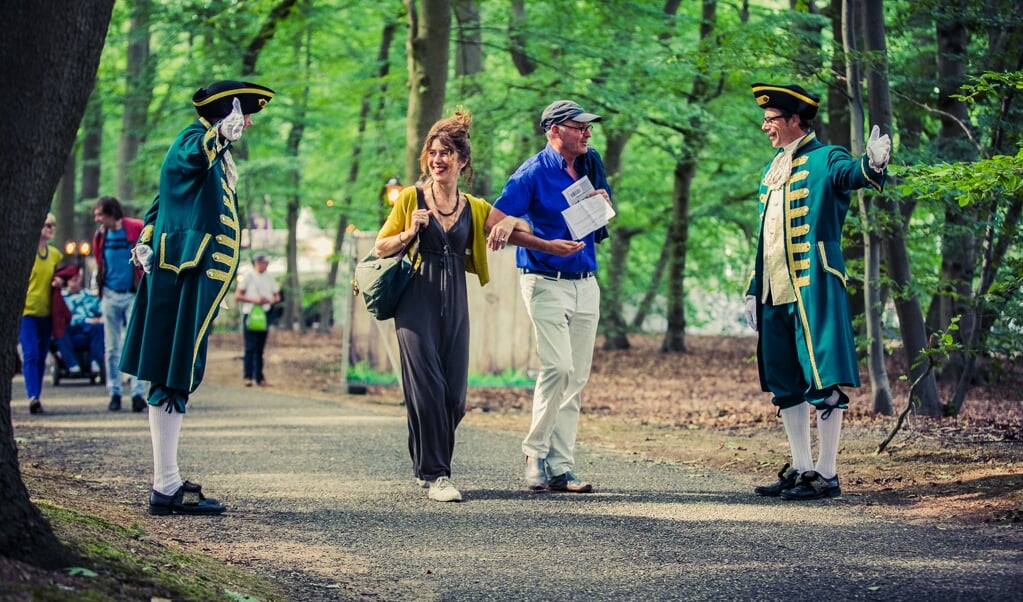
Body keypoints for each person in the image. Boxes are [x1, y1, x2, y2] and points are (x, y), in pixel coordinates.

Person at [374, 109, 567, 503]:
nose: (437, 159)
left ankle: (422, 463)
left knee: (453, 398)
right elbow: (381, 246)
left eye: (446, 153)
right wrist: (410, 231)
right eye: (432, 152)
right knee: (427, 389)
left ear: (462, 162)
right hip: (415, 301)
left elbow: (523, 229)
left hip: (456, 303)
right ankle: (437, 475)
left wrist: (509, 223)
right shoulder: (411, 198)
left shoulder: (474, 206)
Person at [120, 79, 274, 515]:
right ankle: (164, 485)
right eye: (242, 115)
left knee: (176, 371)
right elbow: (182, 162)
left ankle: (165, 480)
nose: (246, 123)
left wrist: (148, 233)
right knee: (174, 371)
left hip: (188, 273)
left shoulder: (216, 158)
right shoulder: (195, 141)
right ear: (224, 114)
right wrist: (218, 135)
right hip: (185, 272)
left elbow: (165, 199)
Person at [744, 82, 890, 500]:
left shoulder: (827, 159)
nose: (765, 127)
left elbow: (851, 175)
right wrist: (755, 289)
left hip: (814, 287)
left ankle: (827, 473)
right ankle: (802, 468)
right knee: (784, 382)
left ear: (794, 120)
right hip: (774, 292)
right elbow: (766, 237)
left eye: (771, 120)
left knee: (821, 377)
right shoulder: (771, 170)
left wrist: (872, 165)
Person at [486, 100, 612, 493]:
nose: (588, 133)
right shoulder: (532, 172)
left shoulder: (591, 163)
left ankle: (561, 466)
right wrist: (545, 244)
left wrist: (604, 204)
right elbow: (495, 220)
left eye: (589, 127)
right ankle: (533, 452)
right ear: (555, 131)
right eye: (580, 127)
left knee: (576, 376)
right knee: (557, 368)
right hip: (543, 280)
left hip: (586, 281)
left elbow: (603, 208)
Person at [92, 195, 147, 412]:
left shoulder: (134, 228)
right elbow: (100, 263)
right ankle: (114, 392)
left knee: (134, 342)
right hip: (109, 294)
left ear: (111, 213)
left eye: (100, 214)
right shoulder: (100, 236)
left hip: (132, 294)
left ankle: (137, 393)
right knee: (111, 346)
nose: (97, 219)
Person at [19, 213, 65, 414]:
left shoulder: (54, 254)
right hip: (27, 311)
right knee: (30, 354)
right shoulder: (25, 253)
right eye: (47, 225)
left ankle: (36, 395)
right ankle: (32, 396)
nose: (51, 229)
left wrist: (59, 282)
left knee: (41, 355)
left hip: (47, 313)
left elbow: (58, 277)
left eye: (53, 226)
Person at [234, 252, 280, 387]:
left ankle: (259, 376)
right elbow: (238, 296)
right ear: (257, 263)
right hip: (250, 314)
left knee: (260, 348)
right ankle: (248, 375)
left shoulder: (270, 278)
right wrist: (255, 300)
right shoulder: (248, 277)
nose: (264, 265)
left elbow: (277, 296)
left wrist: (269, 301)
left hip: (264, 314)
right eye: (262, 262)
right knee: (250, 346)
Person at [52, 265, 105, 377]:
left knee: (99, 327)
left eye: (76, 277)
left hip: (88, 326)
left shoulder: (89, 296)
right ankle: (72, 365)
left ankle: (95, 363)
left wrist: (99, 319)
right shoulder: (60, 297)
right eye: (71, 277)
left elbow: (102, 313)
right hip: (68, 328)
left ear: (81, 278)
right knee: (59, 330)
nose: (74, 279)